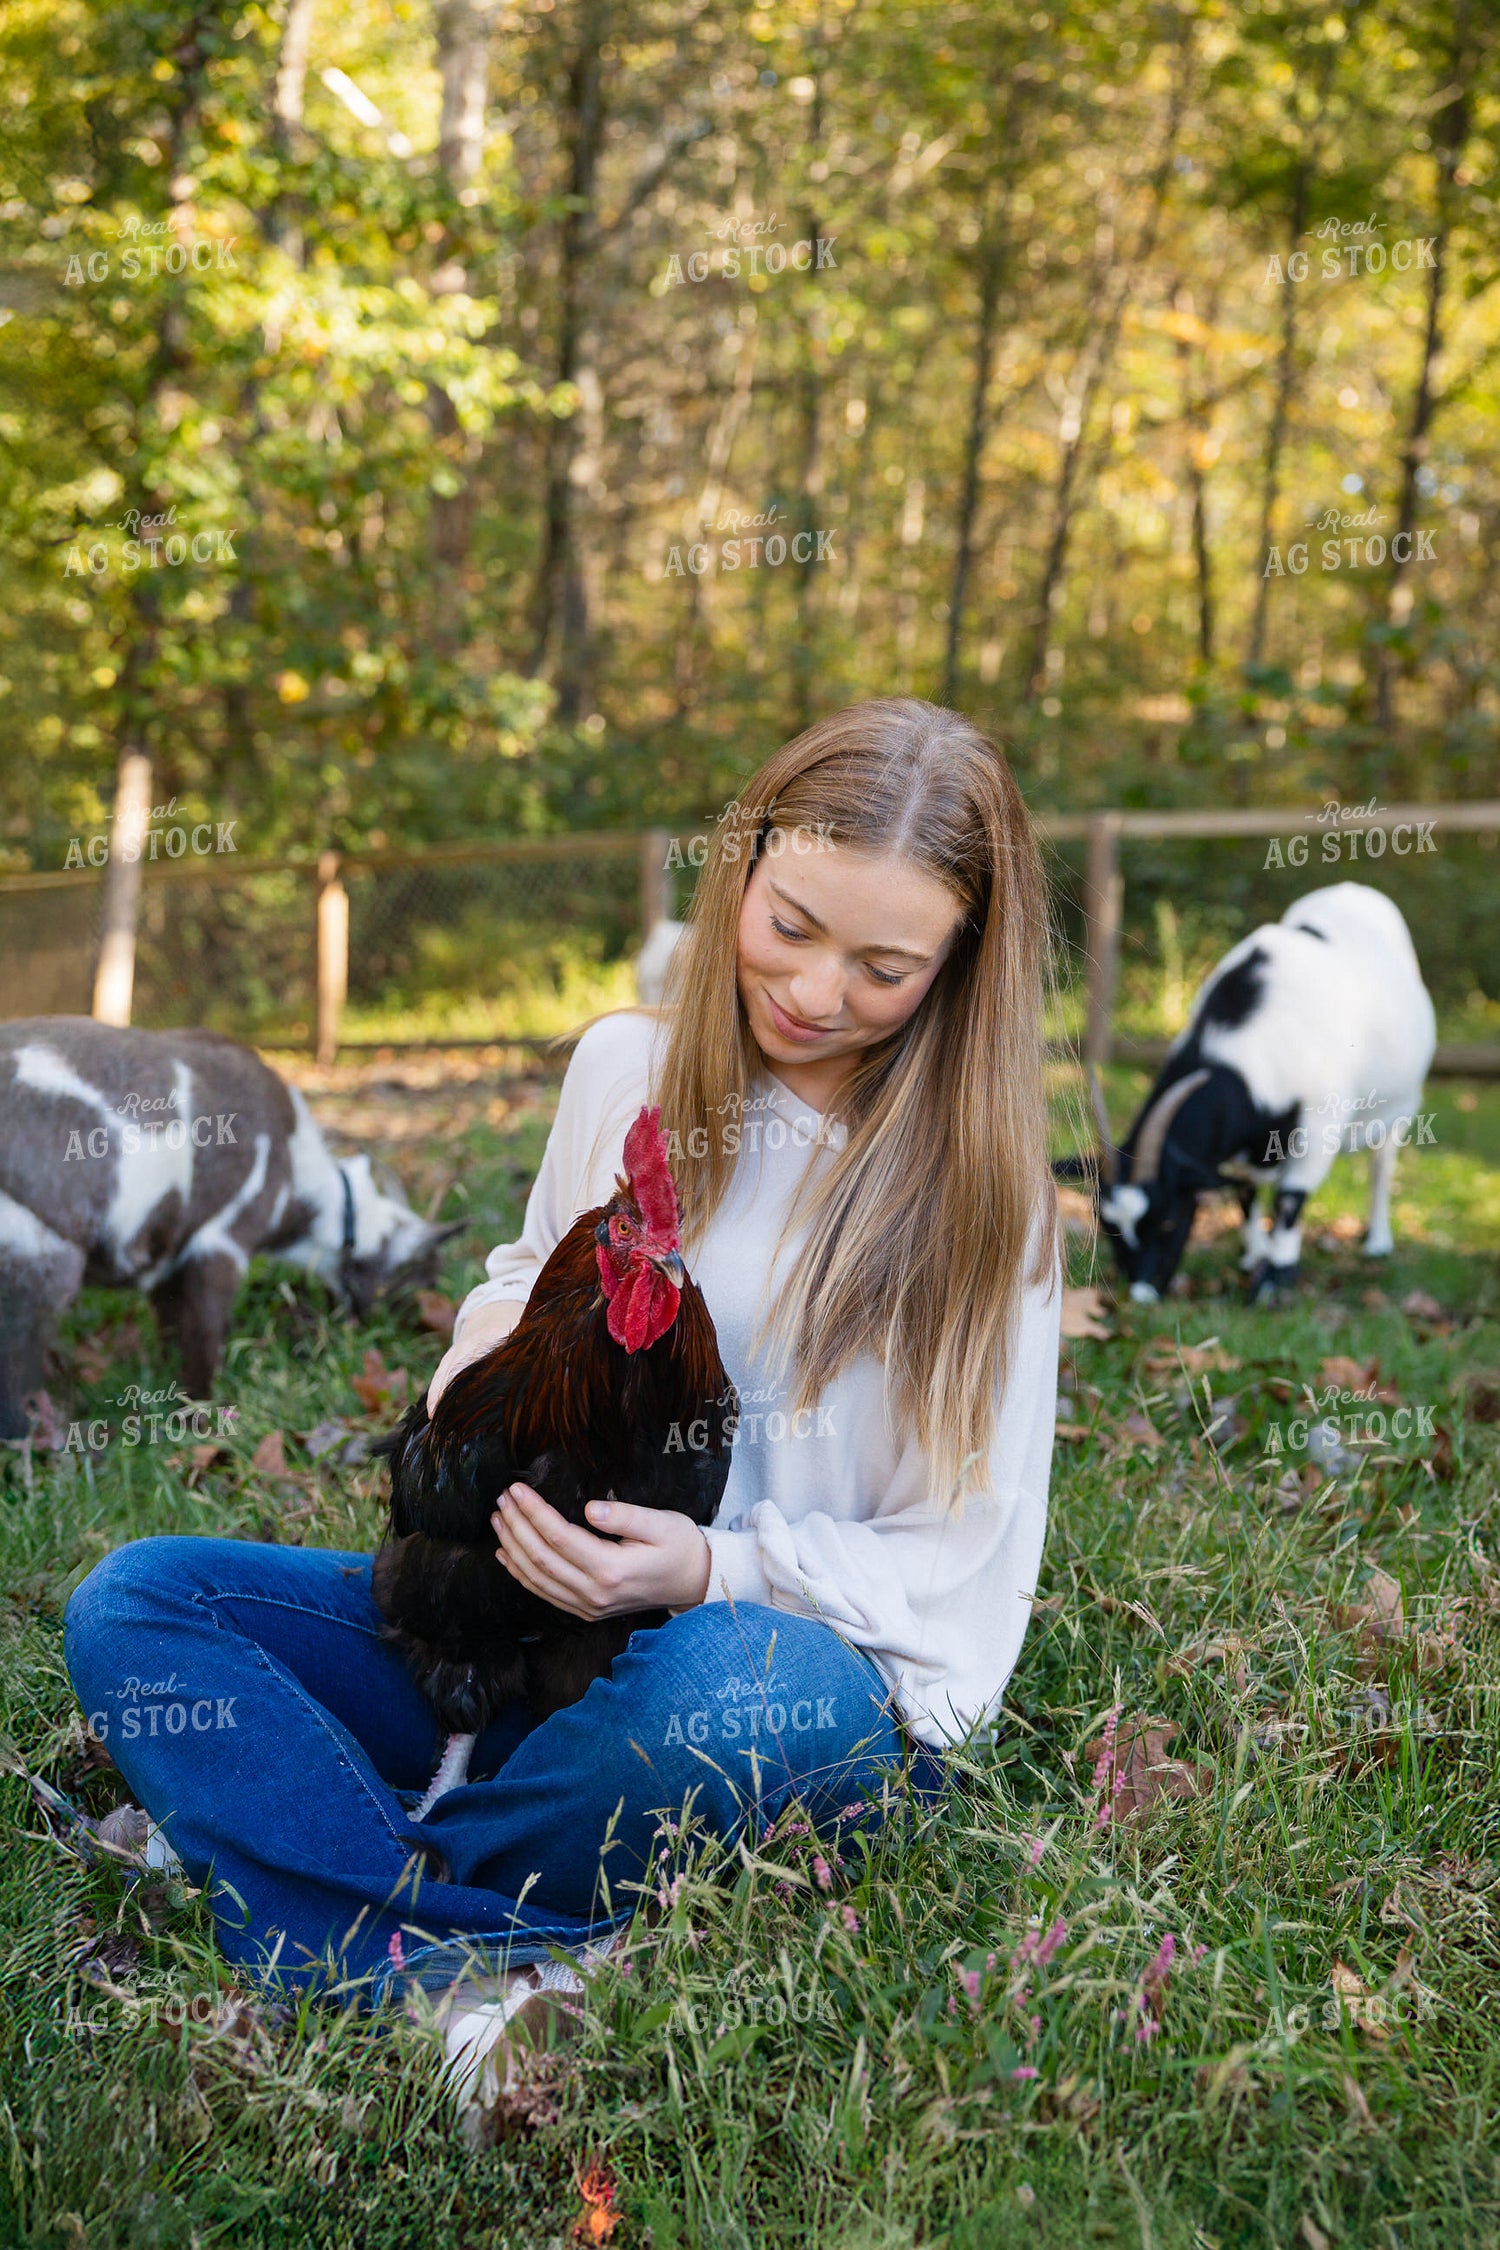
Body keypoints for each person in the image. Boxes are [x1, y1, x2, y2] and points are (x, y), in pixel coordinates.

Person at [62, 696, 1061, 2081]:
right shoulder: (627, 1066)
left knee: (720, 1683)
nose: (819, 991)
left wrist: (710, 1566)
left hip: (752, 1690)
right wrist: (491, 1380)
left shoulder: (982, 1206)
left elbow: (964, 1566)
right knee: (145, 1601)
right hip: (516, 1649)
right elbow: (520, 1273)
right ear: (741, 870)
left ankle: (290, 1860)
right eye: (792, 925)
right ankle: (463, 1981)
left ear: (961, 962)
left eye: (885, 965)